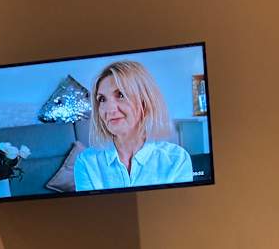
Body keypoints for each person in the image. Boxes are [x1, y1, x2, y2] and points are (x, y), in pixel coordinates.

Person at [74, 60, 193, 191]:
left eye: (120, 95)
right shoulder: (86, 162)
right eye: (102, 99)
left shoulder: (177, 160)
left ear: (145, 101)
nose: (109, 109)